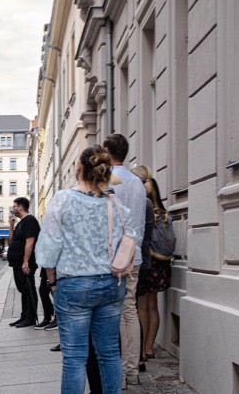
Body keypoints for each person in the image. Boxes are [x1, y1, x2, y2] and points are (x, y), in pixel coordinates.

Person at [36, 145, 132, 394]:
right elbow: (131, 245)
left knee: (75, 357)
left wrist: (52, 282)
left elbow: (48, 249)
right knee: (109, 353)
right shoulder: (116, 204)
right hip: (111, 284)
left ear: (79, 167)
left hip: (74, 285)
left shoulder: (63, 200)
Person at [103, 134, 146, 388]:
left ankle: (116, 375)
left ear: (108, 153)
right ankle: (131, 370)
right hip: (134, 254)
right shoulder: (138, 182)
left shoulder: (109, 180)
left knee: (111, 314)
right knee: (129, 311)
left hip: (112, 258)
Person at [131, 166, 172, 366]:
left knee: (141, 307)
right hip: (161, 263)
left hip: (146, 261)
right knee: (153, 306)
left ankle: (142, 350)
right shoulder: (162, 213)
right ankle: (149, 346)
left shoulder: (142, 206)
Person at [7, 197, 40, 328]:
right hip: (17, 263)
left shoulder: (30, 221)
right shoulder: (20, 222)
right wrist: (11, 225)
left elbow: (30, 241)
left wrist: (25, 261)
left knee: (29, 289)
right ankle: (24, 315)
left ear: (20, 207)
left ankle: (31, 317)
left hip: (25, 263)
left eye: (14, 206)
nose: (13, 208)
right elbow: (11, 240)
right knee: (23, 289)